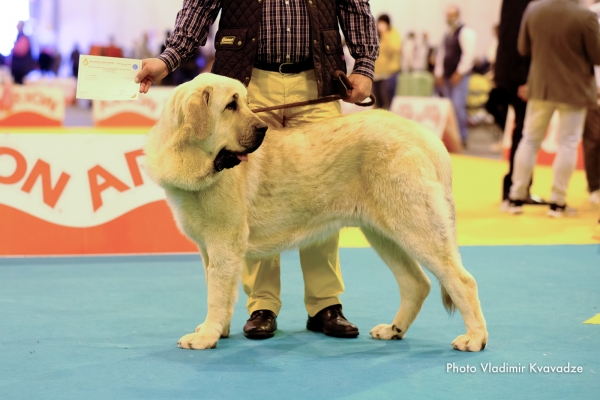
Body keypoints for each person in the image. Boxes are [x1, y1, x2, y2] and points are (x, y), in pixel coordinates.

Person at [135, 0, 379, 340]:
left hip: (317, 78)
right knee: (246, 197)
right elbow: (199, 6)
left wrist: (364, 65)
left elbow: (355, 6)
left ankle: (325, 303)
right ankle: (262, 305)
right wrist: (169, 58)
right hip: (247, 81)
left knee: (324, 189)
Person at [508, 0, 600, 217]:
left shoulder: (534, 9)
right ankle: (557, 203)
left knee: (529, 140)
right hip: (574, 90)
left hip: (541, 86)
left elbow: (523, 47)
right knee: (567, 143)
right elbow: (597, 56)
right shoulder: (584, 16)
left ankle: (515, 197)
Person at [494, 0, 546, 211]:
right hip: (518, 77)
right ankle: (516, 189)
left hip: (511, 74)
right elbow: (516, 39)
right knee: (524, 133)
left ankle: (518, 187)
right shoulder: (520, 3)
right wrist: (524, 78)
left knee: (522, 131)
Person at [434, 5, 477, 147]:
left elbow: (468, 54)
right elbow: (441, 55)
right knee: (448, 109)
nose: (449, 18)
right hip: (446, 76)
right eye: (448, 15)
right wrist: (438, 73)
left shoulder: (465, 32)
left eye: (452, 15)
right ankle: (450, 139)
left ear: (458, 15)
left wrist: (460, 72)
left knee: (458, 107)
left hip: (459, 76)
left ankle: (462, 137)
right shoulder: (447, 33)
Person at [583, 1, 600, 206]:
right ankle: (595, 186)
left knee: (593, 140)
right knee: (593, 139)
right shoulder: (589, 14)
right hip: (592, 89)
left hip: (590, 87)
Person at [373, 14, 400, 110]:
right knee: (376, 104)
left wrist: (385, 34)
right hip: (376, 75)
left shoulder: (393, 34)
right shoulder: (375, 34)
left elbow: (393, 50)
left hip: (389, 75)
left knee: (387, 103)